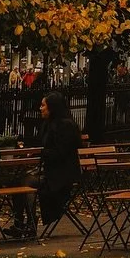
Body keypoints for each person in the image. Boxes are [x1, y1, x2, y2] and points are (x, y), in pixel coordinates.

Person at [35, 91, 83, 235]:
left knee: (27, 182)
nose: (40, 108)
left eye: (43, 105)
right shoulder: (47, 125)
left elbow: (61, 153)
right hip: (49, 171)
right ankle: (23, 222)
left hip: (62, 174)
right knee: (19, 182)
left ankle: (30, 223)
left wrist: (41, 153)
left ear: (52, 107)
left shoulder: (65, 126)